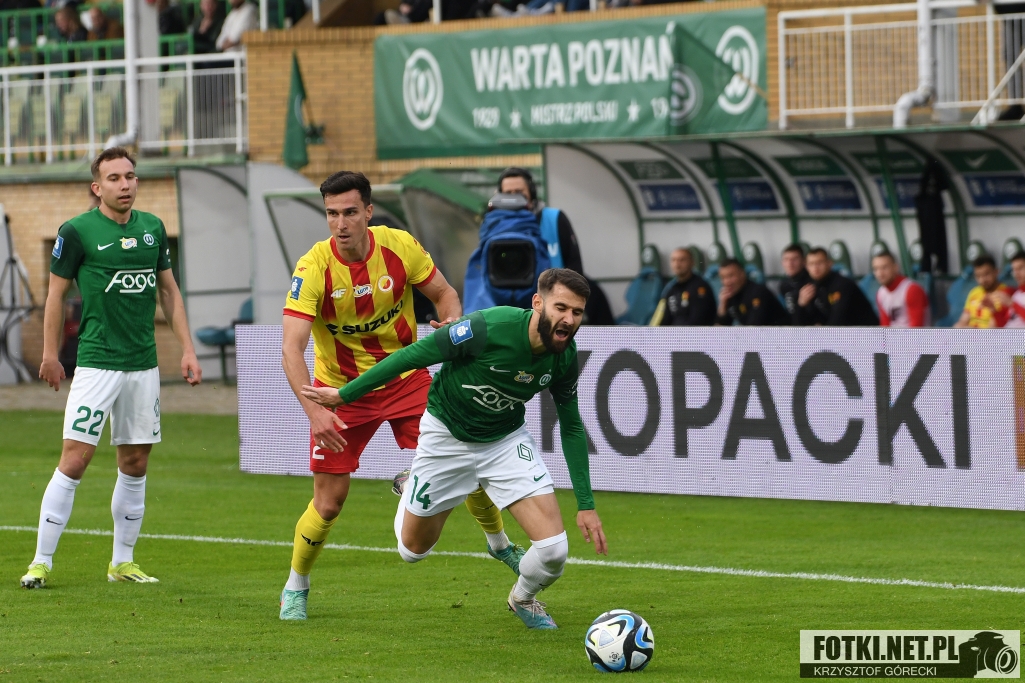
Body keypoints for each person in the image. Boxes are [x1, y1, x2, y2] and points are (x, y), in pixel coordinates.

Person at [302, 269, 607, 630]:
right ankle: (412, 484)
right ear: (538, 303)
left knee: (554, 552)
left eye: (577, 312)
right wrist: (344, 394)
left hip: (504, 441)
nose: (569, 319)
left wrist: (586, 504)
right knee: (412, 552)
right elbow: (412, 356)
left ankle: (523, 598)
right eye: (561, 308)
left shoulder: (564, 356)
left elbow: (571, 425)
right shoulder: (487, 327)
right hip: (446, 438)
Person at [278, 171, 517, 622]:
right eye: (332, 214)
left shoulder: (399, 246)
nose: (341, 224)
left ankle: (500, 544)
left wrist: (451, 325)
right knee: (328, 503)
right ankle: (296, 585)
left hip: (407, 379)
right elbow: (291, 349)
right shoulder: (313, 268)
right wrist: (314, 412)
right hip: (341, 393)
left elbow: (445, 295)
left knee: (466, 464)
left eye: (350, 212)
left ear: (369, 211)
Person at [20, 147, 201, 590]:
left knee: (135, 462)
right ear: (97, 187)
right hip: (97, 364)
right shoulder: (77, 231)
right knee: (75, 459)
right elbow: (56, 295)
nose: (125, 185)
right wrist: (49, 354)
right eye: (115, 178)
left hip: (143, 365)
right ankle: (41, 562)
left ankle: (122, 562)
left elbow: (169, 292)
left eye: (130, 177)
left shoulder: (152, 229)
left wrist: (188, 349)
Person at [495, 167, 616, 324]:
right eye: (508, 194)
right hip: (511, 312)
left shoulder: (554, 219)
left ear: (532, 193)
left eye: (519, 192)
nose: (514, 198)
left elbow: (575, 268)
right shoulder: (493, 227)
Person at [798, 248, 879, 326]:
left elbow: (837, 322)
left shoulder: (842, 285)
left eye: (820, 263)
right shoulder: (809, 287)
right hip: (841, 332)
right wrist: (801, 305)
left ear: (830, 264)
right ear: (806, 267)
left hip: (866, 332)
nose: (815, 267)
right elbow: (800, 324)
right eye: (811, 264)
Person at [649, 247, 715, 326]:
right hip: (674, 332)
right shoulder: (671, 290)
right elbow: (664, 320)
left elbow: (697, 321)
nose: (677, 264)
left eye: (682, 260)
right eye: (673, 260)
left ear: (692, 262)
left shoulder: (700, 287)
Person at [716, 258, 789, 326]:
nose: (727, 282)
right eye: (723, 277)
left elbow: (753, 327)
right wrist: (722, 305)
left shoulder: (757, 292)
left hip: (780, 334)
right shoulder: (731, 294)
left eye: (731, 276)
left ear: (742, 274)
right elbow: (720, 328)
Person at [954, 255, 1015, 328]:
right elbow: (963, 320)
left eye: (986, 274)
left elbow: (995, 326)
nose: (982, 280)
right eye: (978, 276)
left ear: (996, 272)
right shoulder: (974, 292)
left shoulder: (1005, 293)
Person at [872, 252, 930, 327]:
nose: (880, 273)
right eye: (876, 269)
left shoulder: (912, 290)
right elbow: (885, 326)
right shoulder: (880, 293)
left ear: (895, 267)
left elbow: (917, 328)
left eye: (884, 268)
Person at [777, 243, 812, 324]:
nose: (790, 264)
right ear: (782, 263)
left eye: (795, 259)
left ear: (803, 261)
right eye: (786, 259)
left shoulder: (811, 282)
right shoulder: (784, 284)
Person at [1006, 252, 1025, 327]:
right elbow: (1007, 322)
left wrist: (1012, 304)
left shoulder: (1011, 301)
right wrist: (994, 311)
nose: (1016, 273)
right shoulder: (1016, 294)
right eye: (1014, 269)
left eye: (1020, 268)